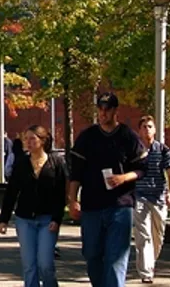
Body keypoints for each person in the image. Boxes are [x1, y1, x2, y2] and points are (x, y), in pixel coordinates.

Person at [66, 92, 147, 287]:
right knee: (92, 254)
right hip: (92, 205)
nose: (103, 113)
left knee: (116, 258)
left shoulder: (128, 136)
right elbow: (75, 173)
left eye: (107, 109)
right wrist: (72, 200)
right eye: (100, 109)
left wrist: (124, 178)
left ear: (115, 111)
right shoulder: (87, 137)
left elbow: (143, 168)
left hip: (121, 205)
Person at [0, 125, 66, 287]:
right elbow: (11, 192)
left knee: (45, 264)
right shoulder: (21, 162)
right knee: (29, 265)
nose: (28, 142)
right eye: (26, 139)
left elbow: (61, 193)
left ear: (42, 141)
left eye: (32, 138)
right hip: (24, 219)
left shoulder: (55, 162)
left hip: (48, 219)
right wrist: (4, 219)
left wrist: (57, 218)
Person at [134, 116, 170, 285]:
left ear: (155, 130)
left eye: (150, 126)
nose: (146, 129)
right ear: (139, 130)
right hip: (139, 196)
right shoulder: (135, 150)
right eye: (143, 126)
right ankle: (146, 272)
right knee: (143, 235)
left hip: (158, 196)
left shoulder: (163, 149)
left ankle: (150, 262)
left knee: (157, 236)